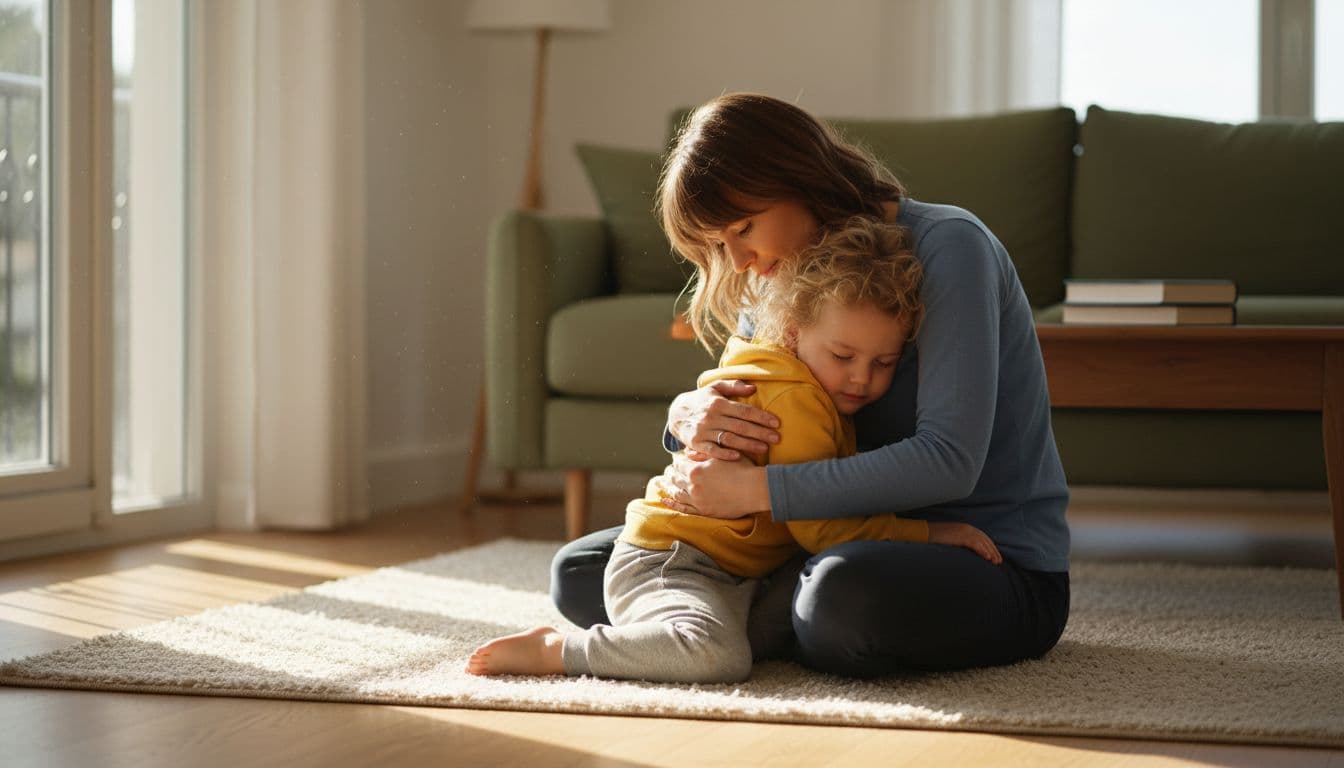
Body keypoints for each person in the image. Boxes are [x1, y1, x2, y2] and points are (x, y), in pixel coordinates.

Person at [550, 92, 1071, 678]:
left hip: (982, 556)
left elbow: (950, 460)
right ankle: (736, 624)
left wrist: (756, 492)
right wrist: (685, 418)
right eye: (721, 245)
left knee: (839, 602)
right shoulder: (783, 272)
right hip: (817, 537)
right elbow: (748, 400)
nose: (741, 259)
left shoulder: (951, 247)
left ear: (800, 177)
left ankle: (727, 628)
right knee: (582, 570)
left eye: (745, 227)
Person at [465, 216, 1001, 682]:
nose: (861, 379)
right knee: (716, 656)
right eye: (843, 355)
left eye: (883, 363)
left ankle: (653, 634)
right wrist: (929, 534)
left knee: (822, 598)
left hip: (744, 567)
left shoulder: (781, 354)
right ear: (793, 334)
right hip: (675, 562)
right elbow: (823, 527)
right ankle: (557, 651)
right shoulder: (798, 399)